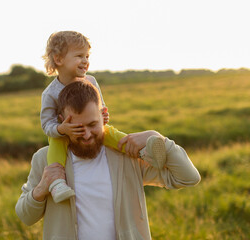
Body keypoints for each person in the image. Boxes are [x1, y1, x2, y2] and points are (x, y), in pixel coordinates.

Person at [15, 81, 201, 240]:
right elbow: (25, 216)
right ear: (62, 121)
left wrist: (157, 137)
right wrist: (41, 189)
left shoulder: (126, 156)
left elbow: (188, 177)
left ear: (103, 115)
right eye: (78, 128)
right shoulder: (45, 159)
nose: (87, 135)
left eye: (92, 125)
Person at [41, 31, 166, 203]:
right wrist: (60, 129)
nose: (85, 61)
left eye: (87, 56)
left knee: (110, 133)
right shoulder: (50, 93)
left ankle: (144, 153)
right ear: (58, 59)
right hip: (66, 134)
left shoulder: (91, 81)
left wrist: (103, 116)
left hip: (91, 129)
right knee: (55, 143)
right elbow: (46, 123)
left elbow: (101, 107)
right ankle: (57, 184)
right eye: (79, 56)